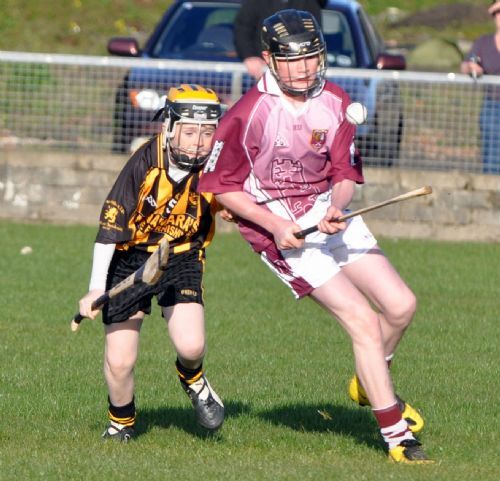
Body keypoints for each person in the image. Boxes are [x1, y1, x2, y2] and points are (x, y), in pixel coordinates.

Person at [199, 9, 432, 463]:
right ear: (269, 59)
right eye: (292, 60)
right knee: (363, 321)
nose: (304, 68)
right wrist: (275, 226)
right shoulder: (249, 114)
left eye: (311, 57)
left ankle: (369, 381)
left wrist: (338, 207)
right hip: (281, 230)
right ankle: (397, 436)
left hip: (329, 214)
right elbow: (222, 187)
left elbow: (344, 173)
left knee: (401, 305)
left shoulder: (335, 100)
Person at [78, 84, 225, 441]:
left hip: (181, 253)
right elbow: (109, 230)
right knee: (120, 361)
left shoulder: (218, 163)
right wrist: (95, 288)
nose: (198, 143)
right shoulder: (144, 163)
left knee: (191, 346)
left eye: (207, 133)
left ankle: (192, 377)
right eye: (189, 132)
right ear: (169, 128)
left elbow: (242, 200)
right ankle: (121, 423)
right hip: (130, 258)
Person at [234, 0, 327, 80]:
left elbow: (315, 35)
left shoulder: (309, 3)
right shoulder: (256, 3)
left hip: (301, 68)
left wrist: (311, 60)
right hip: (262, 70)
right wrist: (249, 56)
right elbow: (243, 29)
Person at [460, 0, 500, 174]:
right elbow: (465, 64)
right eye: (497, 13)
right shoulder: (483, 42)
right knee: (492, 153)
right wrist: (471, 67)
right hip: (492, 104)